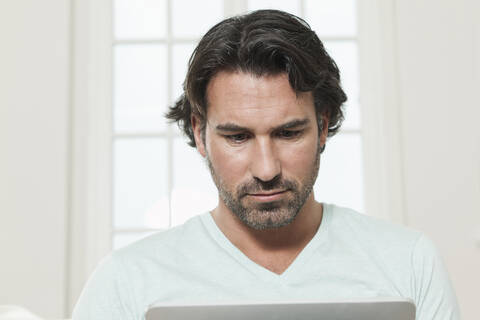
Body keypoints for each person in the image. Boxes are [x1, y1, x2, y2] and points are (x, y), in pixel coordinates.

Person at [72, 9, 460, 319]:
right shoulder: (126, 282)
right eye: (237, 137)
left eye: (288, 133)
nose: (266, 168)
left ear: (323, 126)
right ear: (200, 132)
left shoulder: (408, 263)